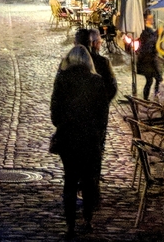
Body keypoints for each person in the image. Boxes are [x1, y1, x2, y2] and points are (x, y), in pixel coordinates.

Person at [50, 45, 111, 238]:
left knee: (70, 180)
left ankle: (70, 224)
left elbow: (54, 114)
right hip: (90, 139)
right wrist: (98, 134)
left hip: (68, 139)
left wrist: (64, 124)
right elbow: (103, 115)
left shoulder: (62, 80)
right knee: (88, 180)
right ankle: (88, 219)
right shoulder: (96, 81)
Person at [136, 11, 163, 100]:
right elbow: (149, 42)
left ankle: (147, 98)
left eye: (152, 18)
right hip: (148, 59)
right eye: (150, 18)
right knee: (158, 78)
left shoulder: (148, 30)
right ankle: (155, 96)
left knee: (150, 80)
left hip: (148, 59)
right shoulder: (145, 30)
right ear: (145, 20)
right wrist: (157, 33)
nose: (152, 20)